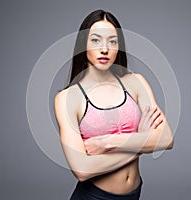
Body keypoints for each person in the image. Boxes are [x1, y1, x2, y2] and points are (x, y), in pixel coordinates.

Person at [54, 9, 174, 200]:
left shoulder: (136, 83)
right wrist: (140, 142)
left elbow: (166, 138)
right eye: (95, 40)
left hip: (134, 194)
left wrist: (107, 142)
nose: (105, 48)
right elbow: (82, 169)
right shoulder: (68, 98)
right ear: (82, 46)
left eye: (112, 41)